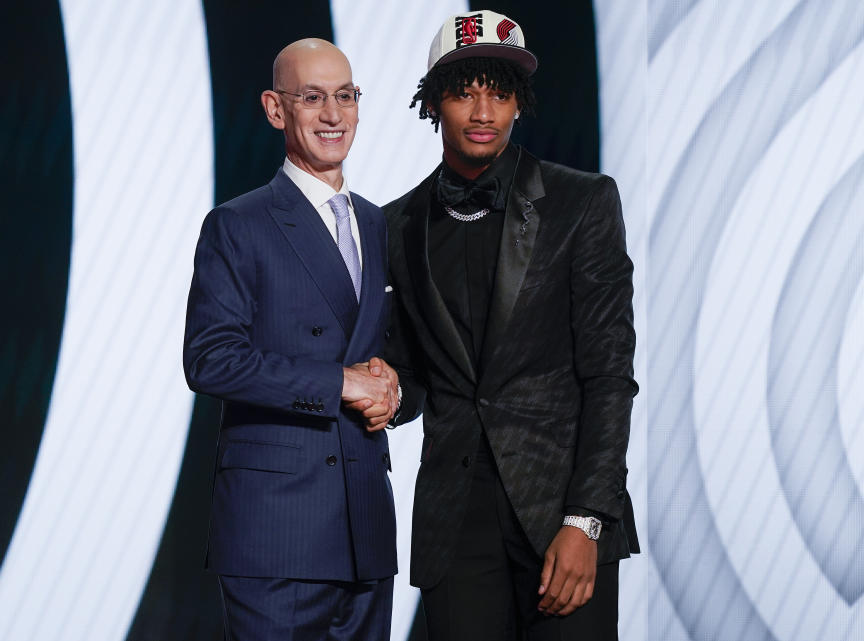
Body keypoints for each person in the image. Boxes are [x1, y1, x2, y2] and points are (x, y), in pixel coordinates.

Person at [383, 10, 640, 641]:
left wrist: (587, 521)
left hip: (561, 517)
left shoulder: (583, 202)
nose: (482, 110)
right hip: (454, 527)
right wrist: (383, 390)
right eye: (464, 91)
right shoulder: (396, 226)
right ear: (432, 101)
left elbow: (609, 374)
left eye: (499, 93)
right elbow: (416, 379)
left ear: (519, 104)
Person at [183, 38, 400, 641]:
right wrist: (342, 382)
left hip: (365, 529)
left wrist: (393, 387)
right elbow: (210, 359)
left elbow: (387, 351)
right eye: (312, 98)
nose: (333, 115)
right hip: (276, 535)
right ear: (276, 110)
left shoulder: (378, 224)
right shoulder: (238, 223)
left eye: (345, 96)